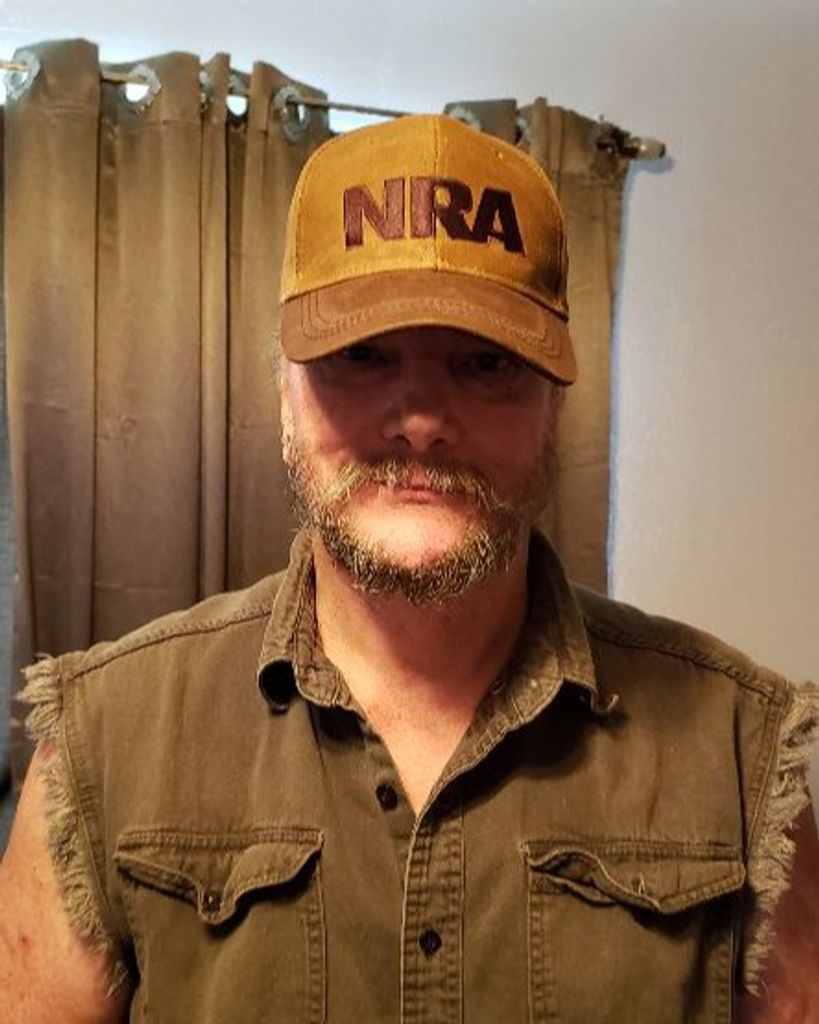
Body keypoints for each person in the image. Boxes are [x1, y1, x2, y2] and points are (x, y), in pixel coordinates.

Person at [1, 113, 817, 1024]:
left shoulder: (739, 752)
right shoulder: (104, 741)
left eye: (483, 362)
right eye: (361, 355)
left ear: (554, 407)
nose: (421, 420)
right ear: (283, 391)